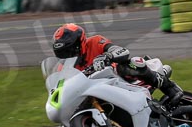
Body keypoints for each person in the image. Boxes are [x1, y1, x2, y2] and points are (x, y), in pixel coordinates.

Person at [51, 23, 183, 110]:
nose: (67, 56)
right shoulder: (62, 69)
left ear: (80, 43)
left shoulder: (95, 42)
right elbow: (61, 90)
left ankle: (170, 89)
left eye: (69, 51)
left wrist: (107, 56)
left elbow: (122, 51)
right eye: (62, 54)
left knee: (130, 64)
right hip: (96, 92)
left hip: (118, 79)